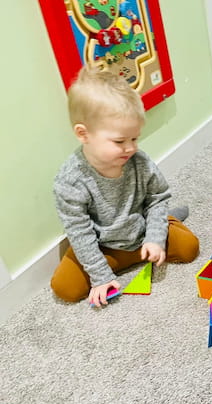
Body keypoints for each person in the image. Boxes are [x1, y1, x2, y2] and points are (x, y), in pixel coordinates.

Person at [50, 66, 199, 307]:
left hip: (140, 235)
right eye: (120, 141)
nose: (130, 148)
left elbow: (158, 197)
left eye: (134, 138)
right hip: (104, 246)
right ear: (83, 134)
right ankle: (110, 259)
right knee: (65, 288)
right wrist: (100, 276)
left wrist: (155, 238)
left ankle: (169, 221)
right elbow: (79, 229)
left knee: (189, 248)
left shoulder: (139, 161)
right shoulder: (70, 180)